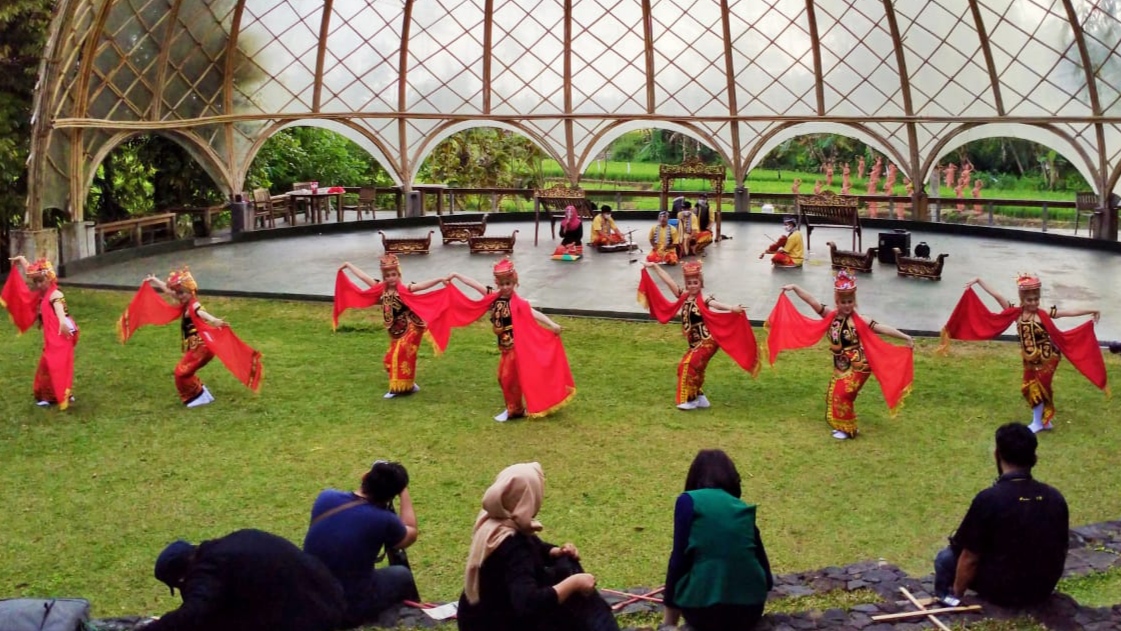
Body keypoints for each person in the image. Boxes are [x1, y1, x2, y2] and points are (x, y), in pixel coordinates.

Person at [457, 462, 619, 631]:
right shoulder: (512, 546)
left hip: (479, 615)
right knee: (573, 597)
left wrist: (556, 551)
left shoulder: (495, 521)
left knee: (566, 564)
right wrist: (574, 583)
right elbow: (529, 604)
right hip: (494, 622)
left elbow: (535, 546)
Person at [941, 275, 1106, 433]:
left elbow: (1067, 312)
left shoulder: (1043, 314)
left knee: (1039, 388)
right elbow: (997, 296)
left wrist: (1092, 309)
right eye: (1029, 300)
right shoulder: (1016, 313)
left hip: (1048, 358)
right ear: (1022, 300)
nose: (1033, 303)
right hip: (1029, 358)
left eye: (1036, 299)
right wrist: (978, 281)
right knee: (1028, 388)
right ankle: (1044, 421)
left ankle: (1038, 422)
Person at [934, 423, 1069, 608]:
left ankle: (948, 599)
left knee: (946, 558)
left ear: (997, 454)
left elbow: (969, 558)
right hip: (1042, 588)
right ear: (1034, 458)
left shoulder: (989, 499)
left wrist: (958, 594)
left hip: (1004, 592)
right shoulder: (1055, 497)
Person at [767, 271, 914, 439]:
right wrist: (795, 287)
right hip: (841, 365)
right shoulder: (830, 316)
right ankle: (845, 426)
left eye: (850, 302)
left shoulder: (861, 320)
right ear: (837, 302)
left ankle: (849, 430)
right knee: (835, 394)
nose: (847, 305)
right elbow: (812, 301)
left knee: (843, 395)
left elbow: (881, 328)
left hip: (860, 365)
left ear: (854, 301)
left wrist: (905, 337)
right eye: (843, 302)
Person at [449, 259, 575, 422]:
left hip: (516, 347)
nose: (505, 287)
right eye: (501, 284)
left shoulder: (519, 303)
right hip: (504, 348)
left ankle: (514, 410)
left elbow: (534, 313)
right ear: (497, 284)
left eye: (508, 283)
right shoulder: (493, 297)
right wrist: (456, 275)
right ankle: (515, 407)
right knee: (502, 377)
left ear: (514, 282)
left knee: (507, 377)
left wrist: (552, 324)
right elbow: (474, 284)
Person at [147, 529, 345, 631]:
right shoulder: (229, 546)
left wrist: (154, 628)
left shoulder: (208, 569)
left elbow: (194, 613)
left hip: (312, 617)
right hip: (328, 594)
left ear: (181, 576)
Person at [663, 450, 773, 631]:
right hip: (750, 611)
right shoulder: (741, 507)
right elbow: (766, 575)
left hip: (704, 612)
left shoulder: (688, 501)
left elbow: (678, 561)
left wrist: (668, 622)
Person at [303, 460, 419, 626]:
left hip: (311, 600)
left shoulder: (326, 497)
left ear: (365, 476)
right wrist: (404, 492)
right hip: (347, 610)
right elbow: (411, 532)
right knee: (401, 574)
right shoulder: (384, 520)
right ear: (392, 494)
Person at [638, 260, 759, 410]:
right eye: (689, 283)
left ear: (700, 283)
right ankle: (699, 397)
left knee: (687, 365)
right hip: (695, 343)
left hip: (708, 340)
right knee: (696, 368)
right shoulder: (684, 296)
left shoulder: (704, 298)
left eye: (695, 282)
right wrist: (655, 267)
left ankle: (689, 400)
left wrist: (731, 308)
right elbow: (669, 281)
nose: (692, 285)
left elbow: (716, 304)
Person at [337, 257, 448, 398]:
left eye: (393, 274)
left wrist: (439, 280)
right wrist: (348, 265)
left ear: (398, 275)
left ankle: (395, 389)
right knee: (389, 360)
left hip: (411, 327)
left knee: (399, 355)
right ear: (384, 277)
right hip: (395, 330)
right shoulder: (381, 289)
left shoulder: (404, 289)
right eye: (388, 276)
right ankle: (409, 385)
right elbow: (363, 277)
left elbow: (421, 286)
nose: (391, 278)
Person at [133, 268, 230, 407]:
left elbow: (201, 313)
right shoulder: (185, 302)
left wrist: (214, 320)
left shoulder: (193, 305)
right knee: (184, 372)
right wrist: (154, 280)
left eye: (182, 293)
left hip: (203, 347)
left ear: (190, 291)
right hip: (197, 346)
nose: (179, 296)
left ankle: (197, 397)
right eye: (178, 293)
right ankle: (202, 395)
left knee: (181, 373)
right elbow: (169, 292)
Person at [2, 256, 78, 408]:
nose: (39, 284)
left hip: (60, 334)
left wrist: (62, 322)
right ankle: (58, 394)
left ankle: (53, 395)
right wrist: (22, 260)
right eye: (36, 282)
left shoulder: (56, 294)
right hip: (52, 335)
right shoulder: (44, 293)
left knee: (53, 364)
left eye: (41, 281)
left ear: (49, 278)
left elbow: (61, 310)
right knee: (52, 364)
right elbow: (31, 271)